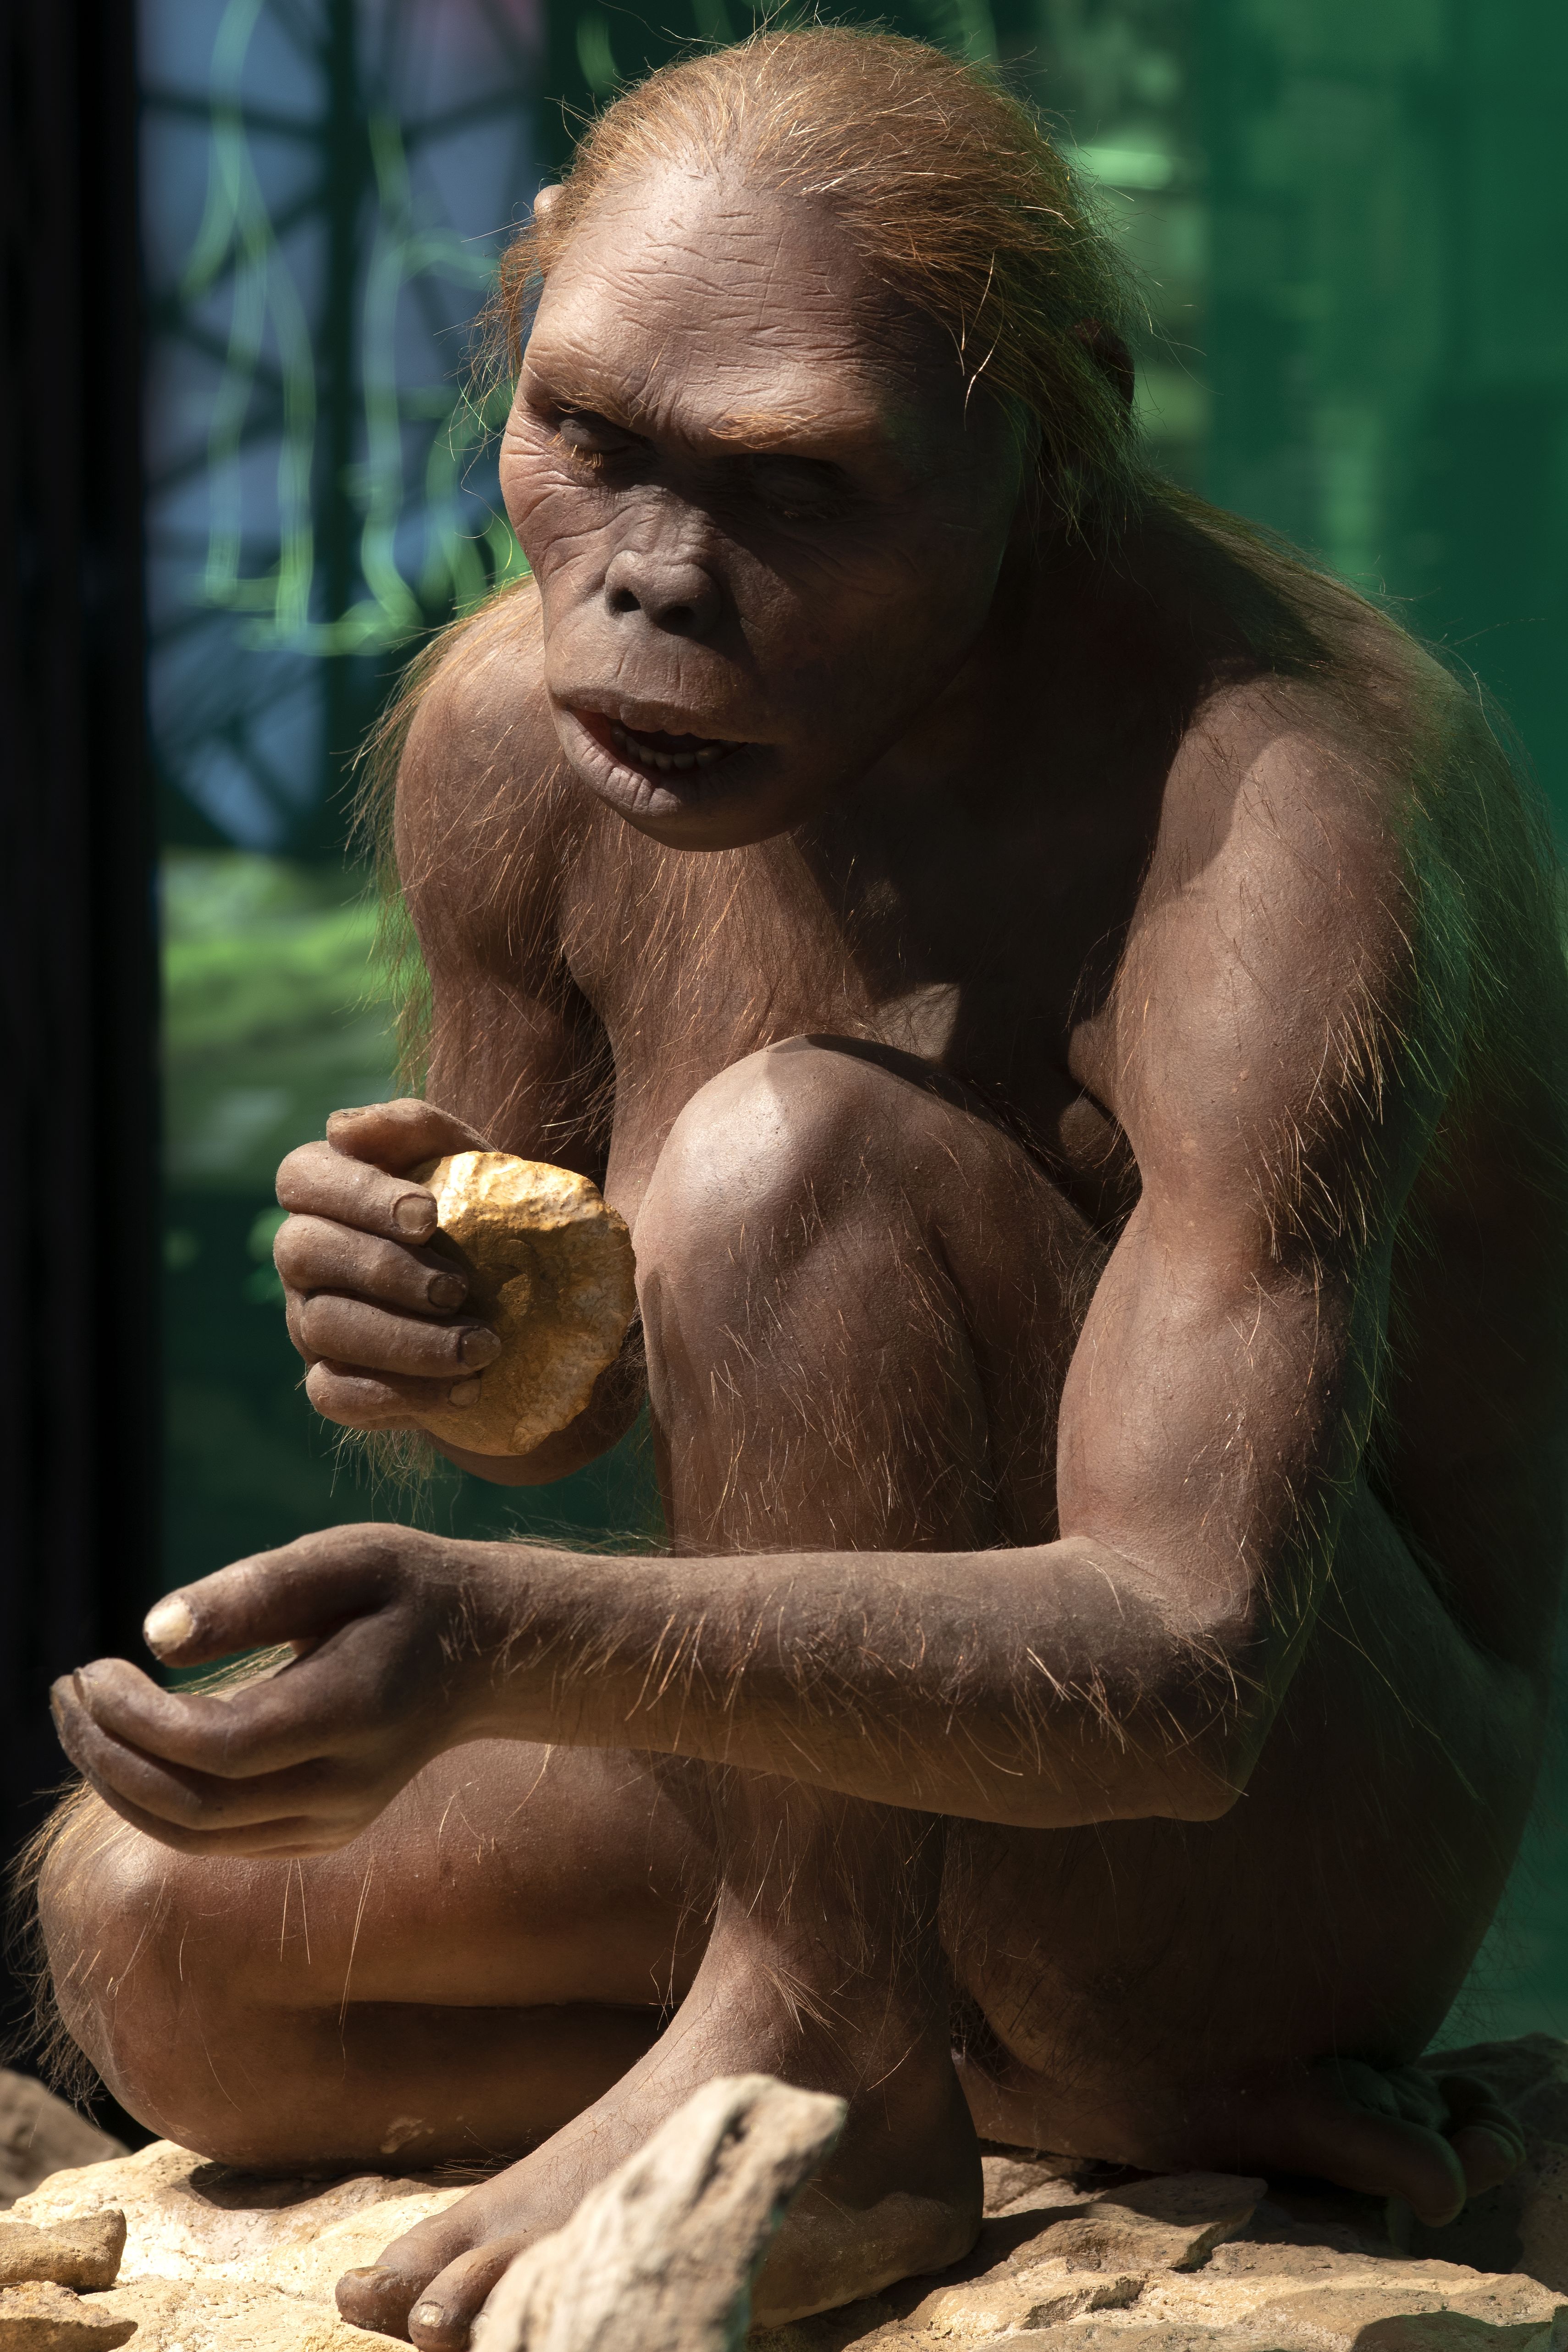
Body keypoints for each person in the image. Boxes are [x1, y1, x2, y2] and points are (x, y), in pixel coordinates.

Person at [39, 28, 1568, 2351]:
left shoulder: (1276, 803)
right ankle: (901, 2039)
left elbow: (1183, 1670)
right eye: (591, 441)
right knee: (151, 1920)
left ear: (1053, 436)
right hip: (870, 1778)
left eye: (795, 489)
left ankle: (844, 2066)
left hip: (1260, 1833)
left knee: (792, 1154)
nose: (652, 585)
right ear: (531, 311)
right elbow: (603, 1402)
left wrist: (505, 1632)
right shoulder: (517, 746)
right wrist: (445, 1343)